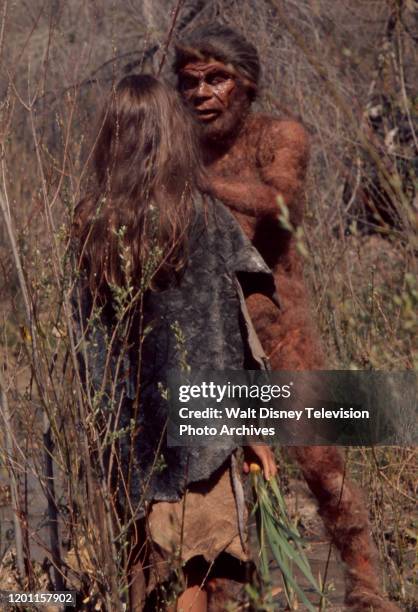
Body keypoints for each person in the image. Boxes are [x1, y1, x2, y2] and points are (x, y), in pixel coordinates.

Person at [174, 24, 400, 611]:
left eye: (215, 79)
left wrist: (199, 184)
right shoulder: (177, 143)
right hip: (207, 334)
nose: (201, 93)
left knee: (321, 461)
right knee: (216, 470)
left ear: (245, 83)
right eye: (190, 81)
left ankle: (367, 586)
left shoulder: (281, 135)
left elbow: (281, 202)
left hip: (280, 325)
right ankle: (227, 595)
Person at [72, 74, 277, 611]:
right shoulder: (202, 217)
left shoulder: (89, 226)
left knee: (140, 567)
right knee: (200, 570)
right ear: (172, 134)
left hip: (122, 431)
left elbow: (80, 344)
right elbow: (233, 332)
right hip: (198, 430)